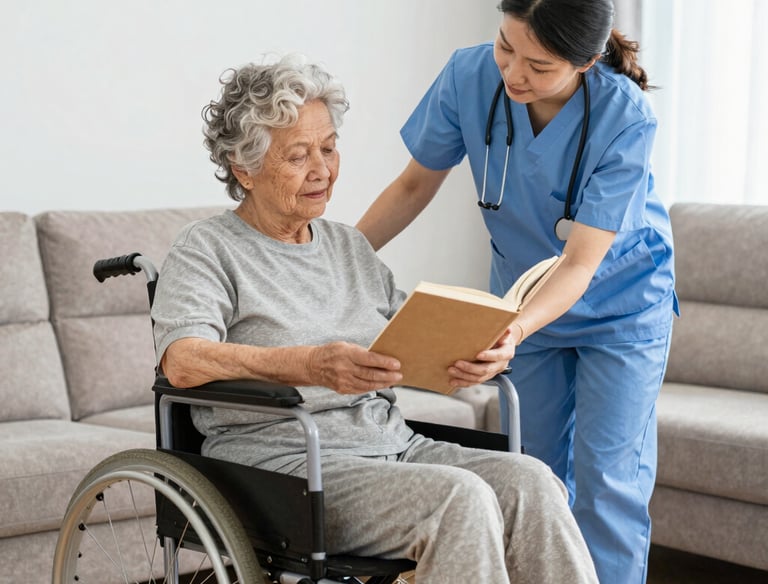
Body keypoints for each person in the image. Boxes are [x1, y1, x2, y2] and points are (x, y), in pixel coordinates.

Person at [151, 54, 598, 584]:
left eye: (329, 147)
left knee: (533, 481)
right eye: (298, 155)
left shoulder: (348, 245)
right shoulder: (207, 248)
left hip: (393, 445)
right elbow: (181, 361)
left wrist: (476, 350)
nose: (322, 169)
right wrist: (310, 365)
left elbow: (409, 336)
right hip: (286, 467)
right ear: (244, 168)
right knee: (460, 499)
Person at [355, 1, 677, 583]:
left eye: (539, 64)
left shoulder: (625, 116)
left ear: (585, 62)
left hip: (621, 306)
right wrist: (337, 258)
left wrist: (515, 328)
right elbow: (411, 186)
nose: (512, 73)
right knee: (532, 474)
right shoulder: (468, 76)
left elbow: (579, 266)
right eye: (505, 46)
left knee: (609, 482)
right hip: (521, 300)